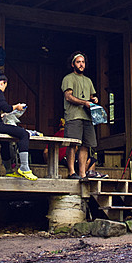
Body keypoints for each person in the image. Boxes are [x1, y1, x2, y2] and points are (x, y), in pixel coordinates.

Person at [0, 73, 37, 180]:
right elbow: (6, 107)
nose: (4, 89)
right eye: (5, 86)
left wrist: (0, 115)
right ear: (2, 83)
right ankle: (24, 167)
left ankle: (9, 171)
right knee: (24, 134)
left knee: (5, 142)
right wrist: (17, 107)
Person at [61, 51, 99, 180]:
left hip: (87, 117)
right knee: (73, 143)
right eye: (78, 62)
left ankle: (82, 173)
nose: (81, 64)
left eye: (83, 62)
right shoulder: (68, 78)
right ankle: (72, 172)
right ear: (73, 64)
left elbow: (91, 97)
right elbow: (68, 96)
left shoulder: (88, 80)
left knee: (86, 145)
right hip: (74, 116)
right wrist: (85, 102)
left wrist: (94, 100)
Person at [43, 119, 107, 178]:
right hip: (66, 158)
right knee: (91, 160)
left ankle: (83, 174)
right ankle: (85, 174)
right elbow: (75, 148)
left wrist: (49, 162)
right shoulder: (69, 133)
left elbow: (45, 152)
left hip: (57, 159)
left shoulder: (56, 134)